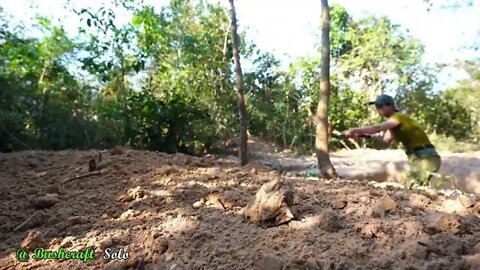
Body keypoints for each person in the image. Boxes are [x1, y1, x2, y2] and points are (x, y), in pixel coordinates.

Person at [344, 94, 441, 187]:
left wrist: (355, 130)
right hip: (416, 158)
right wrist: (363, 136)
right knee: (415, 186)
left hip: (426, 157)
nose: (378, 109)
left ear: (390, 106)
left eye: (380, 106)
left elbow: (379, 127)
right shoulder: (393, 127)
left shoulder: (397, 117)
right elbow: (384, 144)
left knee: (413, 186)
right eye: (377, 106)